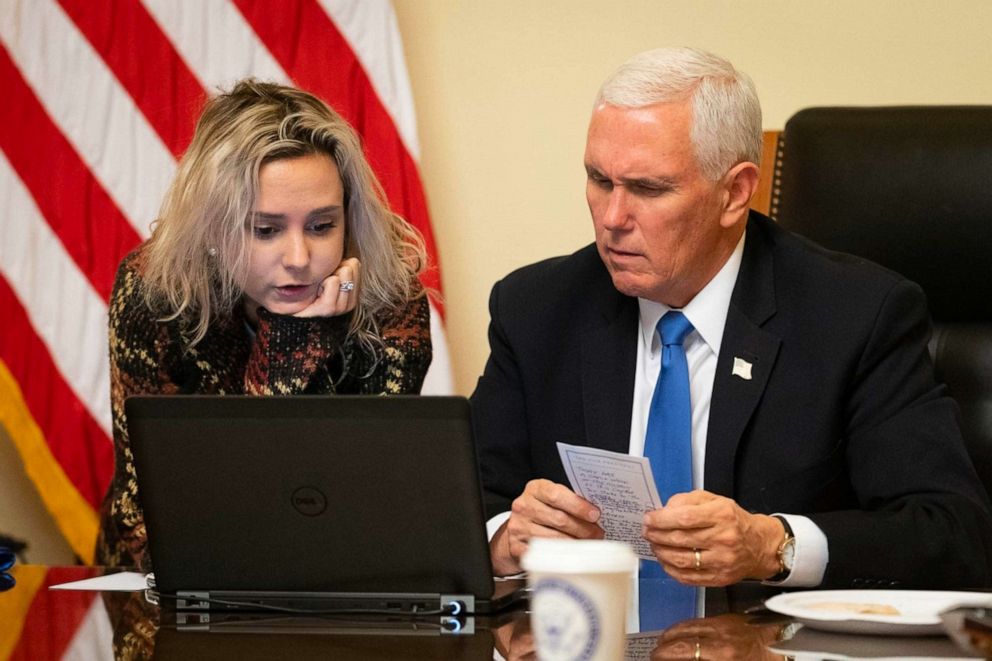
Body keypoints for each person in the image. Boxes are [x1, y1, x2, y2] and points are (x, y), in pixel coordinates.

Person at [471, 47, 992, 591]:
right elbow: (463, 505)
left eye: (648, 189)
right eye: (600, 180)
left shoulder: (857, 316)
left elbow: (952, 534)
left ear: (735, 192)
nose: (611, 218)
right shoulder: (537, 307)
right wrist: (506, 539)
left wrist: (773, 545)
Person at [97, 80, 432, 569]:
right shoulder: (156, 293)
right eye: (265, 230)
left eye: (322, 226)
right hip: (157, 589)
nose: (299, 259)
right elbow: (145, 518)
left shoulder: (390, 304)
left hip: (336, 578)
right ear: (213, 226)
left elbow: (351, 509)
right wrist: (294, 339)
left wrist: (295, 336)